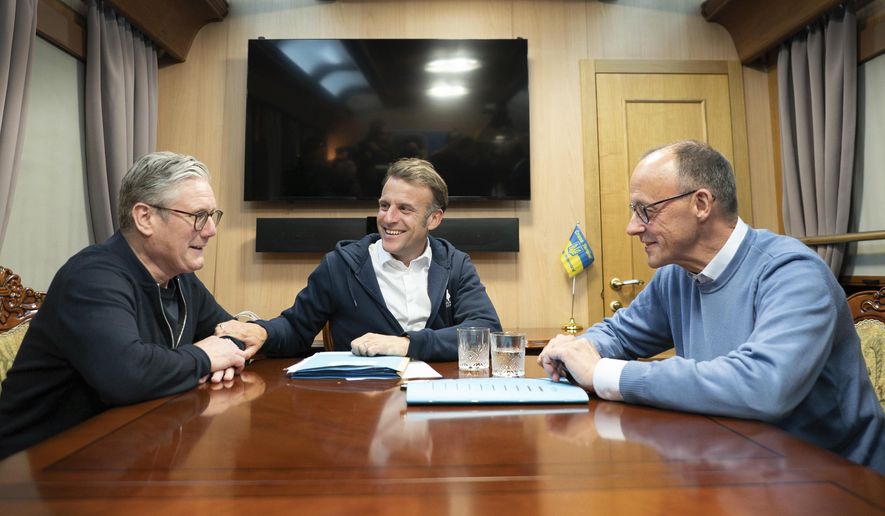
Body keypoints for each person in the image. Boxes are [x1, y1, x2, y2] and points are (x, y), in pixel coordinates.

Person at [538, 140, 885, 472]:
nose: (633, 227)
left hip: (832, 481)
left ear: (701, 204)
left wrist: (604, 373)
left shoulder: (793, 272)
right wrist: (579, 350)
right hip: (732, 464)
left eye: (645, 211)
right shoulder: (677, 275)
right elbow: (621, 332)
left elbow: (764, 386)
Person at [0, 152, 247, 459]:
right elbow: (126, 375)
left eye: (212, 216)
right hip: (36, 470)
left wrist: (226, 351)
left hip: (124, 451)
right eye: (198, 216)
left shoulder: (180, 278)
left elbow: (234, 334)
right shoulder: (92, 277)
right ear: (145, 217)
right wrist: (204, 357)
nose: (211, 230)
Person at [218, 158, 501, 361]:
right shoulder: (340, 264)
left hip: (435, 405)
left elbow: (485, 331)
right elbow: (296, 327)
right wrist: (261, 331)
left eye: (405, 209)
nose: (389, 218)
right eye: (384, 205)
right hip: (359, 406)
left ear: (434, 218)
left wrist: (407, 345)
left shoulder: (456, 264)